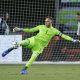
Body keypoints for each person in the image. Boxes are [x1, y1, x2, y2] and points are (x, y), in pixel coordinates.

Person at [2, 16, 80, 75]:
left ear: (51, 22)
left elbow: (63, 36)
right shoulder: (41, 26)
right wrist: (20, 29)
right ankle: (9, 49)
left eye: (47, 21)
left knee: (33, 58)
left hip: (40, 47)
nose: (46, 22)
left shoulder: (54, 30)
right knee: (22, 43)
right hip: (34, 40)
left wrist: (72, 39)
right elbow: (30, 30)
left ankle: (24, 69)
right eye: (45, 21)